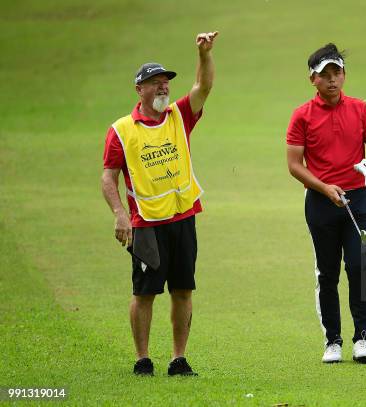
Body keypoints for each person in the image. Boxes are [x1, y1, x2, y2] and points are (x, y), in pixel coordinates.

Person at [101, 31, 219, 376]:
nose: (163, 87)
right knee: (145, 292)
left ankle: (178, 359)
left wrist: (204, 55)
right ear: (139, 89)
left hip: (183, 217)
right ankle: (142, 359)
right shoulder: (122, 130)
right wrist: (119, 214)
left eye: (165, 82)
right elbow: (109, 176)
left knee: (183, 289)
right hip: (145, 224)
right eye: (155, 83)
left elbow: (204, 87)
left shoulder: (179, 115)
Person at [286, 43, 366, 363]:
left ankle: (362, 339)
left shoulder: (360, 108)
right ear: (312, 79)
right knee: (327, 273)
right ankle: (333, 341)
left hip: (358, 199)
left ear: (344, 75)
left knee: (359, 266)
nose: (332, 80)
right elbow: (294, 165)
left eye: (337, 73)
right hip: (320, 201)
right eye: (324, 75)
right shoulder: (302, 115)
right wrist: (323, 187)